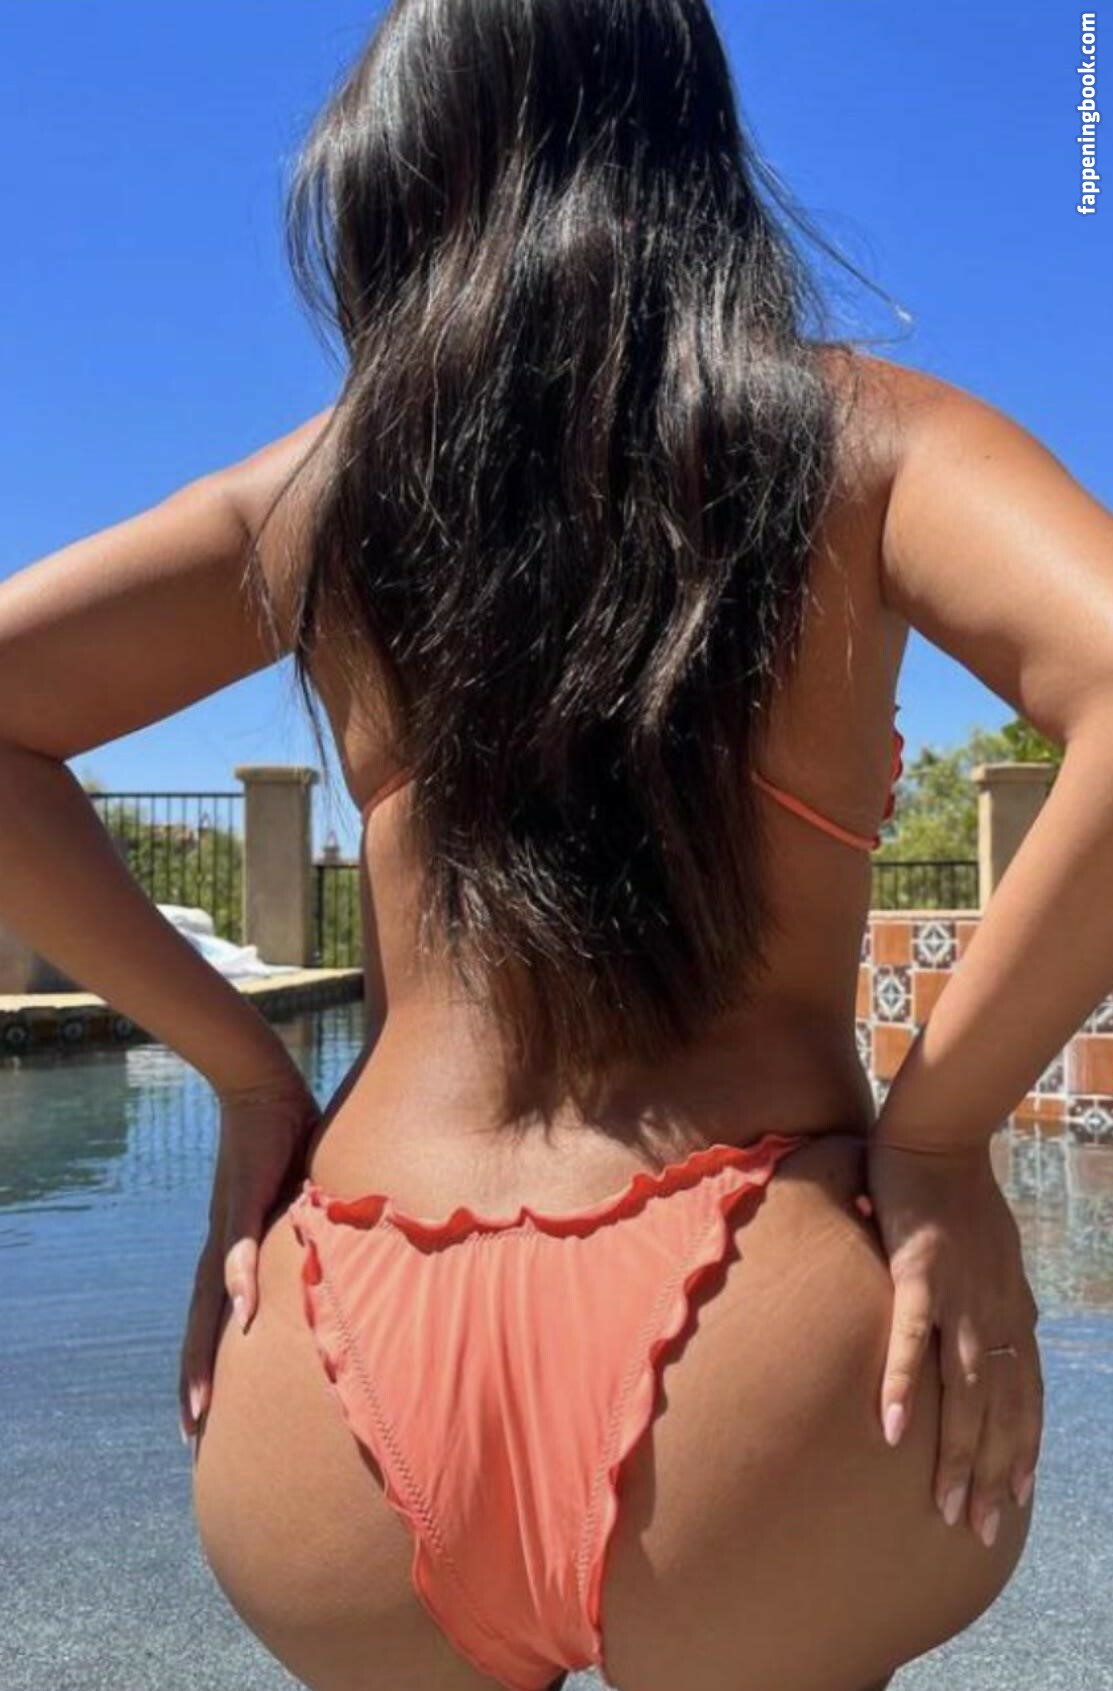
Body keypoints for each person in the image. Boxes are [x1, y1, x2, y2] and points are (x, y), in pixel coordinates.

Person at [3, 2, 1111, 1687]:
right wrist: (945, 1140)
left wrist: (244, 1077)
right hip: (762, 1355)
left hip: (346, 1325)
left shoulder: (315, 497)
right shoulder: (862, 438)